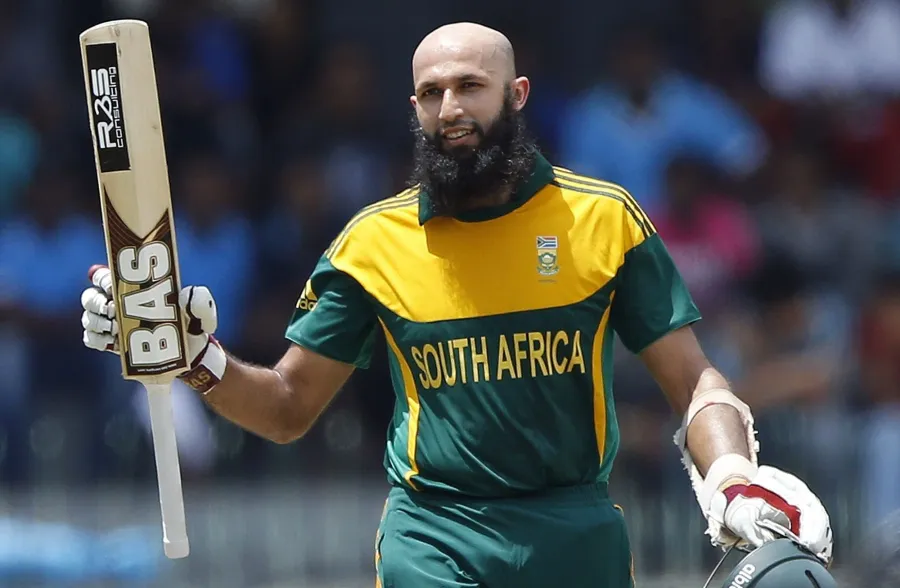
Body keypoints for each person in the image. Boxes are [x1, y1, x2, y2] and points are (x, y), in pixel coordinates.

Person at [80, 22, 833, 588]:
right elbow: (287, 407)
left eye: (470, 86)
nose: (451, 108)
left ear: (516, 94)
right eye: (432, 93)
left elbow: (694, 380)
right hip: (434, 535)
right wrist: (194, 357)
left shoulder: (605, 221)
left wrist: (731, 477)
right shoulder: (371, 243)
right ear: (413, 107)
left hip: (576, 529)